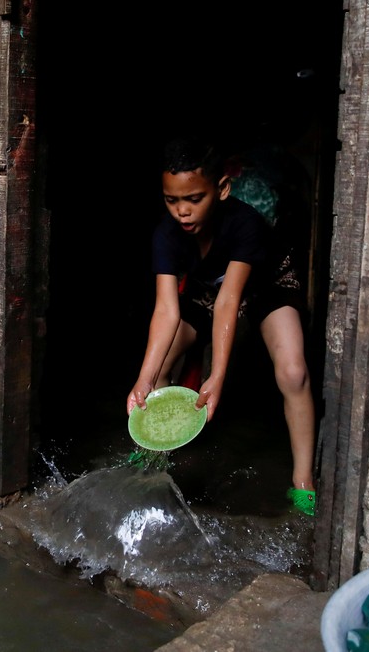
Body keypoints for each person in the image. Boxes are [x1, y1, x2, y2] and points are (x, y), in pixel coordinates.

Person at [125, 138, 318, 516]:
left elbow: (231, 300)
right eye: (172, 200)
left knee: (294, 373)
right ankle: (158, 456)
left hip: (267, 286)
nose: (182, 211)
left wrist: (216, 375)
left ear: (222, 189)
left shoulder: (245, 224)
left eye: (194, 199)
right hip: (206, 292)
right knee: (160, 368)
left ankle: (303, 483)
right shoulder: (166, 234)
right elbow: (166, 310)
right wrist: (144, 379)